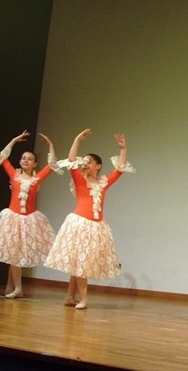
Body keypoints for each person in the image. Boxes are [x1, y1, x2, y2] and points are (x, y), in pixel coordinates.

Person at [44, 128, 134, 309]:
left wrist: (123, 149)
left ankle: (70, 297)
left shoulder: (103, 183)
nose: (84, 164)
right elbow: (71, 160)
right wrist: (78, 139)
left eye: (89, 162)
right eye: (83, 162)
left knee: (79, 263)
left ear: (98, 166)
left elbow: (119, 169)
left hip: (97, 226)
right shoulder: (80, 180)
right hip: (80, 224)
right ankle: (84, 298)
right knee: (82, 263)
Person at [0, 130, 60, 298]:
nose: (26, 160)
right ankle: (12, 287)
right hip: (12, 218)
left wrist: (50, 145)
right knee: (14, 255)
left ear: (35, 164)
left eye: (30, 159)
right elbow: (3, 158)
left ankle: (15, 288)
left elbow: (52, 164)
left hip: (29, 220)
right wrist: (14, 140)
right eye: (23, 158)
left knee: (15, 256)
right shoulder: (14, 175)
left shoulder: (37, 179)